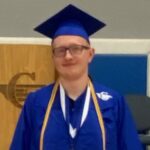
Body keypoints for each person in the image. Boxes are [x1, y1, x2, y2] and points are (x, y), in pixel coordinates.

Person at [10, 4, 143, 150]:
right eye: (61, 50)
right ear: (53, 57)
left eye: (76, 49)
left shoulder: (113, 102)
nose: (68, 56)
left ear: (90, 54)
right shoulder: (35, 103)